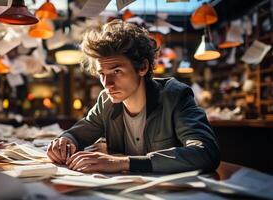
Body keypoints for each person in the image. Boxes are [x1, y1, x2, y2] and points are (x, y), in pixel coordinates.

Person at [47, 19, 220, 174]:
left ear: (143, 67)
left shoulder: (175, 96)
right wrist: (65, 141)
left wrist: (122, 163)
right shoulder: (106, 100)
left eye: (117, 71)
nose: (107, 84)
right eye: (102, 73)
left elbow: (206, 152)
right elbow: (81, 132)